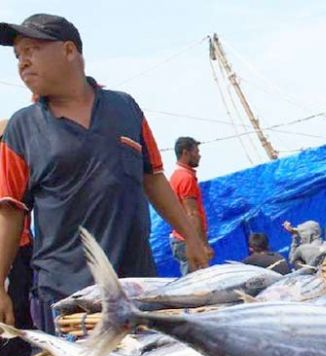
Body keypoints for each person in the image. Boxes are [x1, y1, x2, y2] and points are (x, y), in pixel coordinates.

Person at [0, 13, 208, 333]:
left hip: (137, 286)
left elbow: (152, 177)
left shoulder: (125, 108)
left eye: (31, 50)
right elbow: (10, 212)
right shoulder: (21, 127)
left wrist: (192, 238)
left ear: (69, 51)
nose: (22, 63)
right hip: (66, 296)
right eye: (17, 56)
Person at [0, 119, 32, 356]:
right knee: (12, 311)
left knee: (18, 310)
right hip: (10, 250)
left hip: (21, 246)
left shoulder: (16, 166)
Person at [169, 136, 213, 276]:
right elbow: (192, 213)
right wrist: (202, 244)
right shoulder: (185, 178)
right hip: (187, 241)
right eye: (196, 151)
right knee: (197, 284)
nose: (199, 155)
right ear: (185, 153)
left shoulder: (177, 176)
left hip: (183, 239)